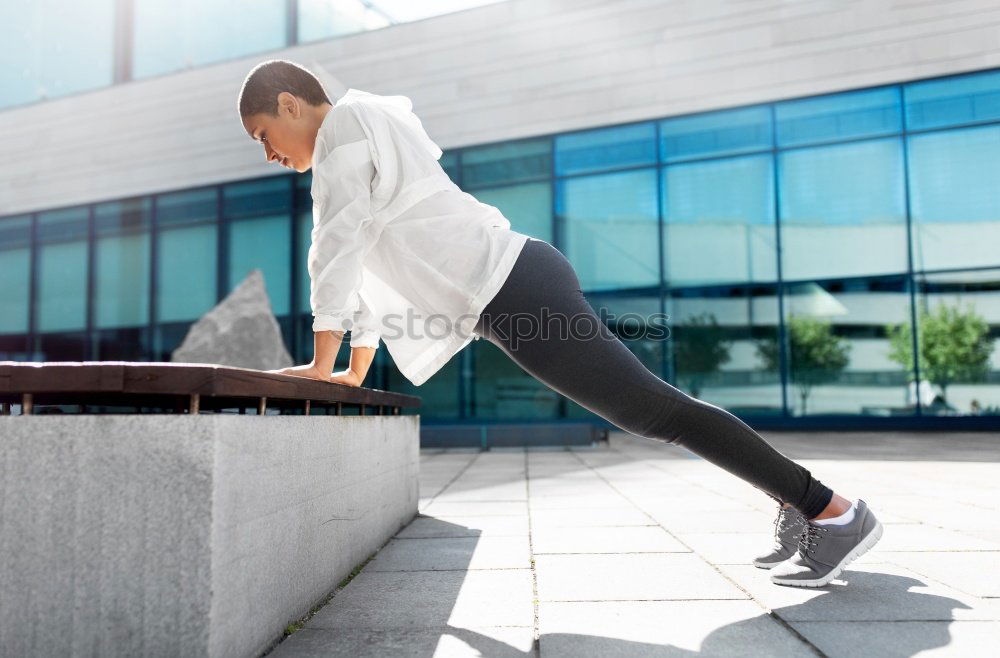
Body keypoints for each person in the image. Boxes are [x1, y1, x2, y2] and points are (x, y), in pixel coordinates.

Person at [237, 59, 883, 588]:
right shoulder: (361, 124)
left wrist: (322, 363)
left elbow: (336, 243)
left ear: (291, 105)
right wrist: (352, 365)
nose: (267, 153)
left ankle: (833, 511)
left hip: (515, 291)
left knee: (656, 412)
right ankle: (804, 505)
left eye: (263, 135)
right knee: (658, 410)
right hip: (515, 285)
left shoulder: (343, 130)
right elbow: (371, 265)